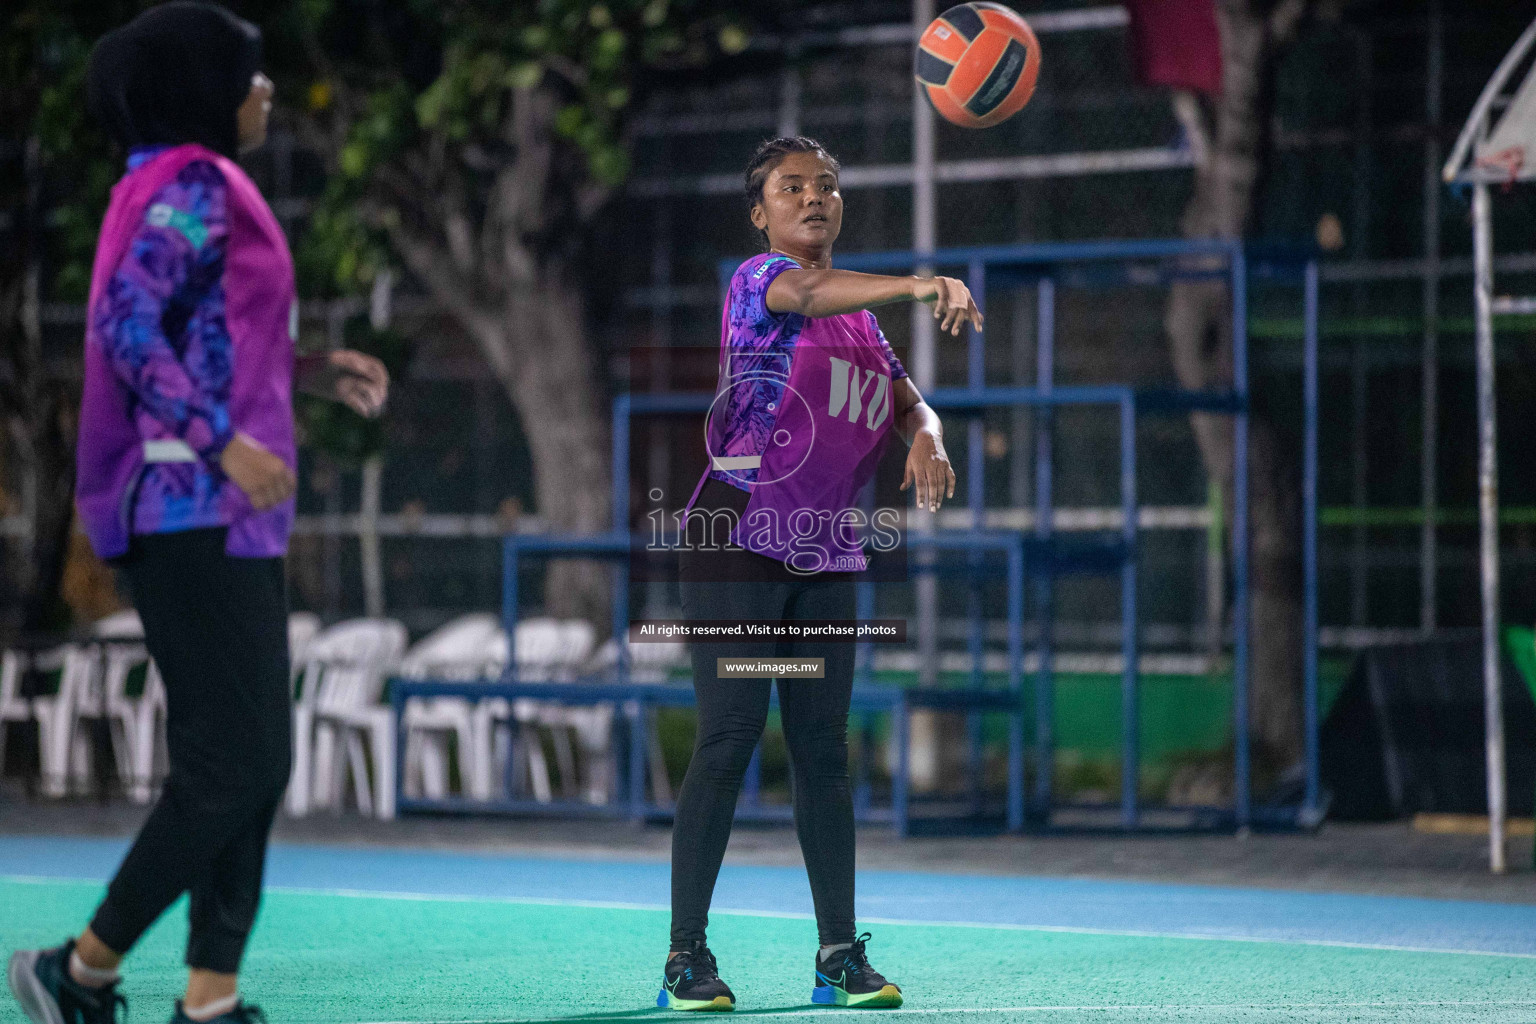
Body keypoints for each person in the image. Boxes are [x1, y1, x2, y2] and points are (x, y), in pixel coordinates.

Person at [6, 5, 389, 1024]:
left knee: (253, 758)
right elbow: (126, 324)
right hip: (189, 503)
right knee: (241, 759)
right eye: (251, 76)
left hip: (215, 508)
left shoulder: (172, 185)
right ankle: (76, 966)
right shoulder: (191, 183)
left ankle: (209, 996)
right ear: (201, 90)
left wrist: (306, 373)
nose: (267, 92)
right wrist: (221, 439)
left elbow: (200, 330)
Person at [659, 136, 982, 1012]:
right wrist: (922, 282)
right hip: (737, 539)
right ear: (760, 211)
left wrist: (927, 437)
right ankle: (685, 958)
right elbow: (807, 288)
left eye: (828, 186)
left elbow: (913, 399)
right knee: (729, 738)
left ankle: (838, 956)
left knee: (822, 753)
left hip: (823, 548)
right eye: (791, 187)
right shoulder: (760, 282)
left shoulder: (863, 324)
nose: (814, 198)